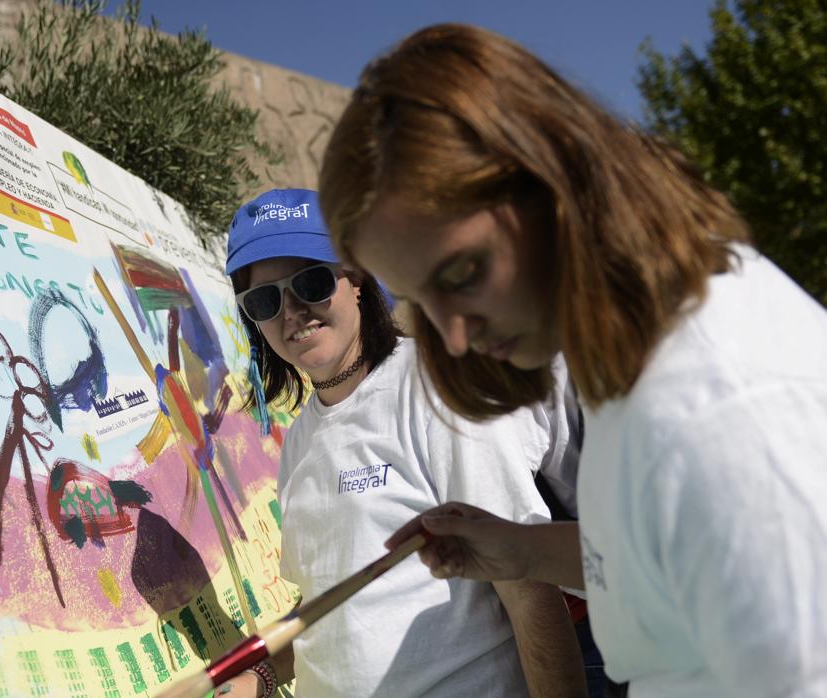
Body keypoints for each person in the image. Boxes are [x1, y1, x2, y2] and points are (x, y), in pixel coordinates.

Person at [319, 23, 827, 697]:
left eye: (465, 272)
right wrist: (524, 549)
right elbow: (669, 556)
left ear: (554, 176)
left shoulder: (723, 409)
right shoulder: (635, 360)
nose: (457, 337)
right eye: (419, 301)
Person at [215, 188, 586, 697]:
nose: (293, 311)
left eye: (312, 281)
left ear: (359, 282)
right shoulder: (299, 439)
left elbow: (528, 589)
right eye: (264, 299)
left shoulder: (436, 389)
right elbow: (328, 603)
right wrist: (257, 676)